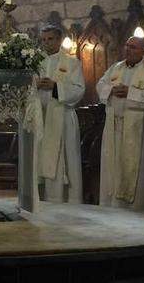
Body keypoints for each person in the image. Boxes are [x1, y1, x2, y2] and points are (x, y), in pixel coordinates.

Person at [96, 36, 144, 211]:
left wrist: (130, 93)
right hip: (114, 127)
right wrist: (111, 90)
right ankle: (112, 207)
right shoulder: (115, 68)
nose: (128, 49)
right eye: (126, 45)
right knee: (113, 167)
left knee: (136, 172)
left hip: (138, 129)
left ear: (142, 51)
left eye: (132, 47)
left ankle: (138, 209)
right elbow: (100, 85)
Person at [34, 25, 85, 203]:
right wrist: (35, 85)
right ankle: (41, 200)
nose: (47, 43)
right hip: (41, 118)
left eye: (50, 39)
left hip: (63, 118)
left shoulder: (72, 63)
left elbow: (79, 90)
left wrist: (55, 87)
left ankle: (68, 200)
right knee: (40, 158)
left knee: (66, 159)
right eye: (44, 40)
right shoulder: (35, 63)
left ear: (59, 40)